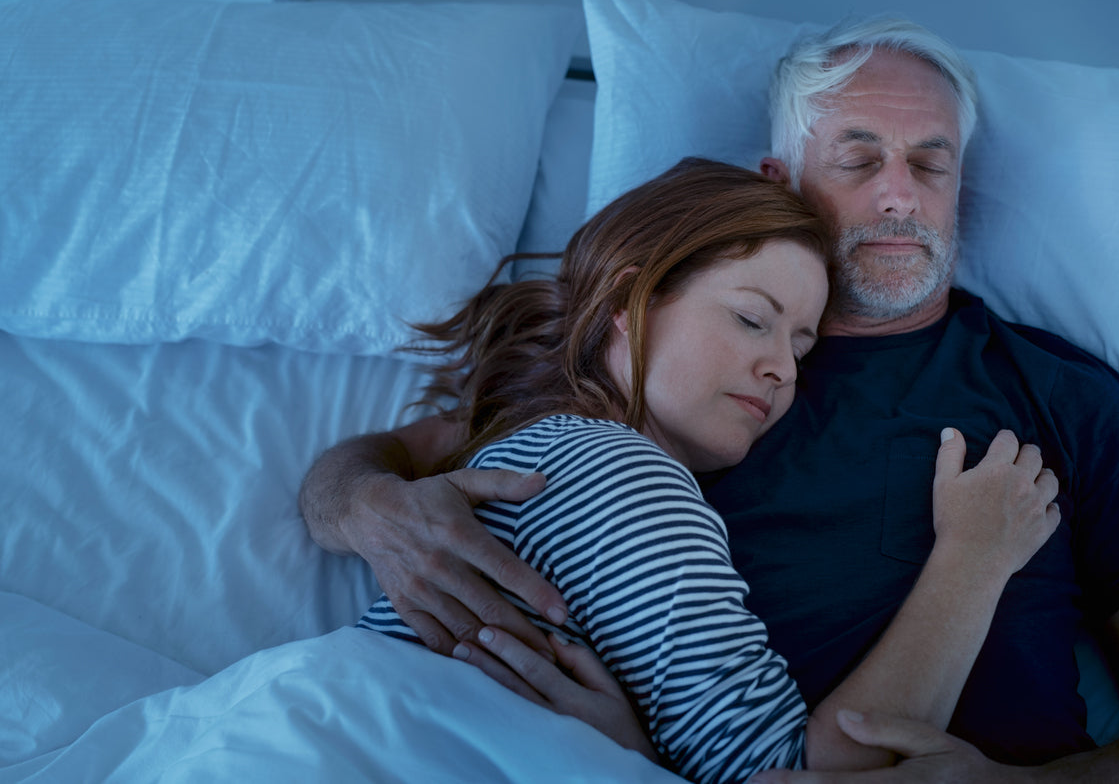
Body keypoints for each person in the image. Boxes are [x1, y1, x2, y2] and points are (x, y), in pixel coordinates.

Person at [299, 19, 1119, 780]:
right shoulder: (652, 377)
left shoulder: (1058, 397)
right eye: (857, 155)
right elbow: (376, 464)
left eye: (931, 163)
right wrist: (380, 516)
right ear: (779, 178)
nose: (897, 196)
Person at [340, 157, 1061, 781]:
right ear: (631, 303)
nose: (781, 367)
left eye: (802, 348)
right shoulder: (622, 475)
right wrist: (974, 558)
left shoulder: (539, 442)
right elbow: (790, 776)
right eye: (752, 319)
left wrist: (635, 758)